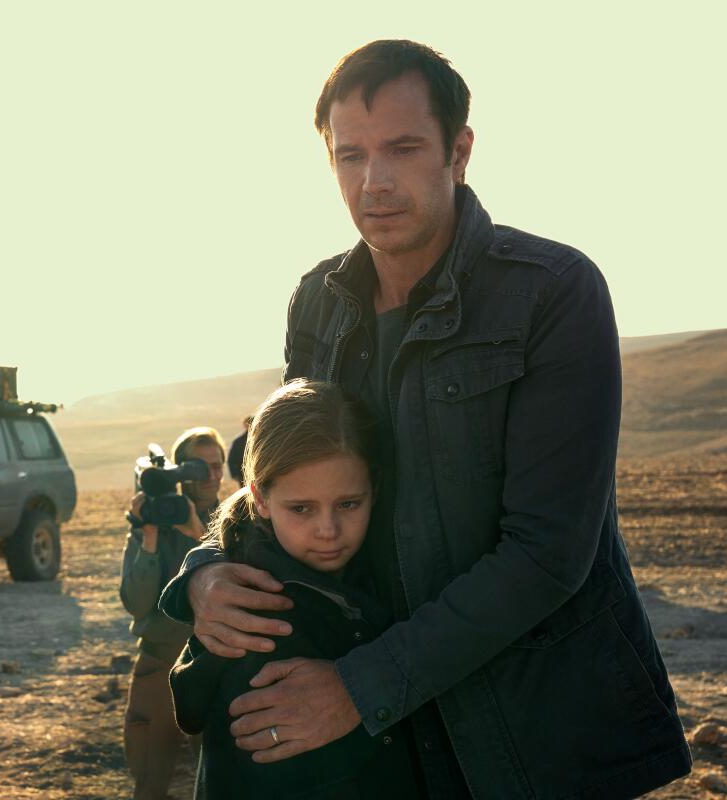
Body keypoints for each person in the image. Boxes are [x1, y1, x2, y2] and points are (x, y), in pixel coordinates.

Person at [159, 39, 691, 798]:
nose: (374, 182)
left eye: (403, 149)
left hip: (530, 737)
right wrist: (204, 571)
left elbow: (547, 553)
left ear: (459, 150)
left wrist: (357, 685)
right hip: (386, 746)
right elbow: (277, 469)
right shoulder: (318, 302)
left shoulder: (552, 293)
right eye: (350, 157)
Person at [170, 380, 420, 799]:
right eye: (301, 508)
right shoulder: (255, 620)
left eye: (349, 504)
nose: (328, 531)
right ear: (261, 499)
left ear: (374, 489)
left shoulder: (373, 573)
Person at [119, 426, 225, 800]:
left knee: (218, 779)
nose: (212, 476)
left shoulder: (234, 522)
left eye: (217, 466)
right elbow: (135, 602)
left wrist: (199, 535)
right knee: (149, 777)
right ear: (180, 472)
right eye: (200, 468)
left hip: (215, 664)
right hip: (158, 661)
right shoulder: (154, 522)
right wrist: (148, 535)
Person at [225, 417, 251, 488]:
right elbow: (231, 459)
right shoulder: (238, 441)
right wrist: (234, 474)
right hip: (243, 475)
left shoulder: (261, 440)